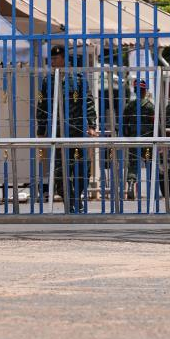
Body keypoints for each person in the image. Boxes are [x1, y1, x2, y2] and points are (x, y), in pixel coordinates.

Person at [36, 45, 98, 213]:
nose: (53, 62)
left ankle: (76, 197)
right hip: (57, 133)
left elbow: (88, 101)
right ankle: (70, 201)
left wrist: (91, 125)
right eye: (51, 59)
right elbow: (42, 105)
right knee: (59, 172)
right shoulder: (47, 81)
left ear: (64, 59)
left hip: (77, 132)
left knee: (82, 169)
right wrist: (41, 131)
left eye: (56, 59)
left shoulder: (78, 79)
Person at [121, 79, 154, 197]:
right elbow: (156, 124)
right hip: (148, 140)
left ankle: (130, 184)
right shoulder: (150, 106)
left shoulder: (129, 106)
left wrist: (127, 136)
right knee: (150, 163)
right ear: (145, 91)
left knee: (133, 164)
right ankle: (152, 190)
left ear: (135, 91)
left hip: (134, 139)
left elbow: (124, 124)